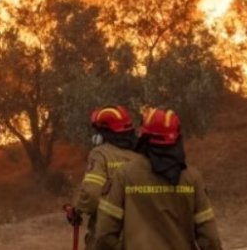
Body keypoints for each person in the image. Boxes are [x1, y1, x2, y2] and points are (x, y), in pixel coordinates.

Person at [94, 107, 223, 250]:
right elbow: (210, 238)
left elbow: (104, 235)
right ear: (177, 138)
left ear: (144, 137)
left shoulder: (124, 175)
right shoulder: (192, 178)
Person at [68, 105, 141, 250]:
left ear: (102, 134)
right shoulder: (144, 154)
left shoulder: (101, 154)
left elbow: (91, 194)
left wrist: (77, 209)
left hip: (110, 237)